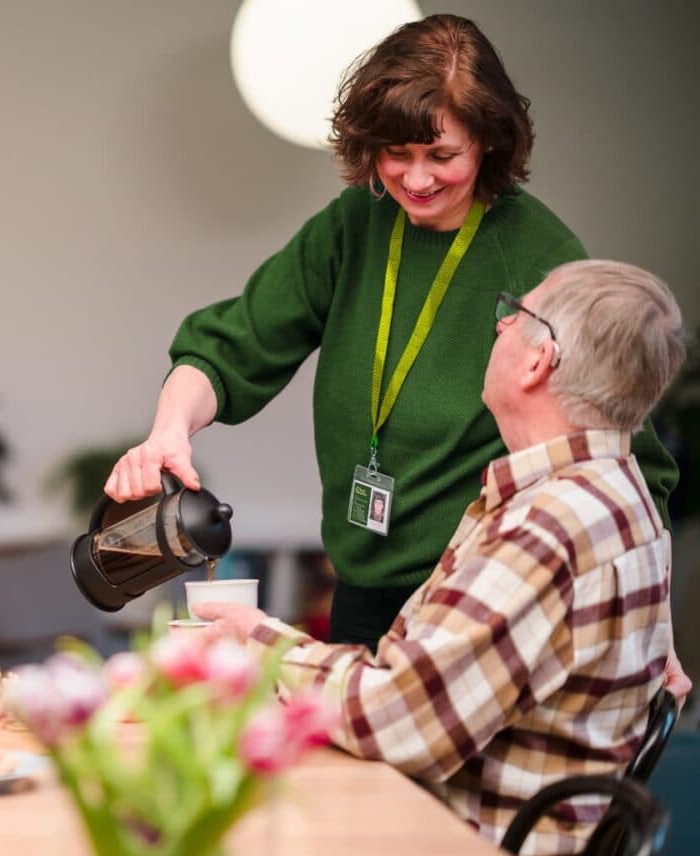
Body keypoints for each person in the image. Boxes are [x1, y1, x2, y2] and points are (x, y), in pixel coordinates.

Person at [104, 14, 678, 650]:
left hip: (473, 598)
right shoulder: (358, 222)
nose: (417, 179)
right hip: (358, 587)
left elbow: (628, 465)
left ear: (487, 141)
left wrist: (651, 636)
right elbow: (229, 347)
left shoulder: (538, 255)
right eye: (396, 153)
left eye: (442, 155)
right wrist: (167, 434)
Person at [195, 259, 689, 856]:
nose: (501, 327)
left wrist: (261, 645)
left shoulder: (549, 525)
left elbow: (398, 718)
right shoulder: (622, 490)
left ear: (539, 360)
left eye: (518, 314)